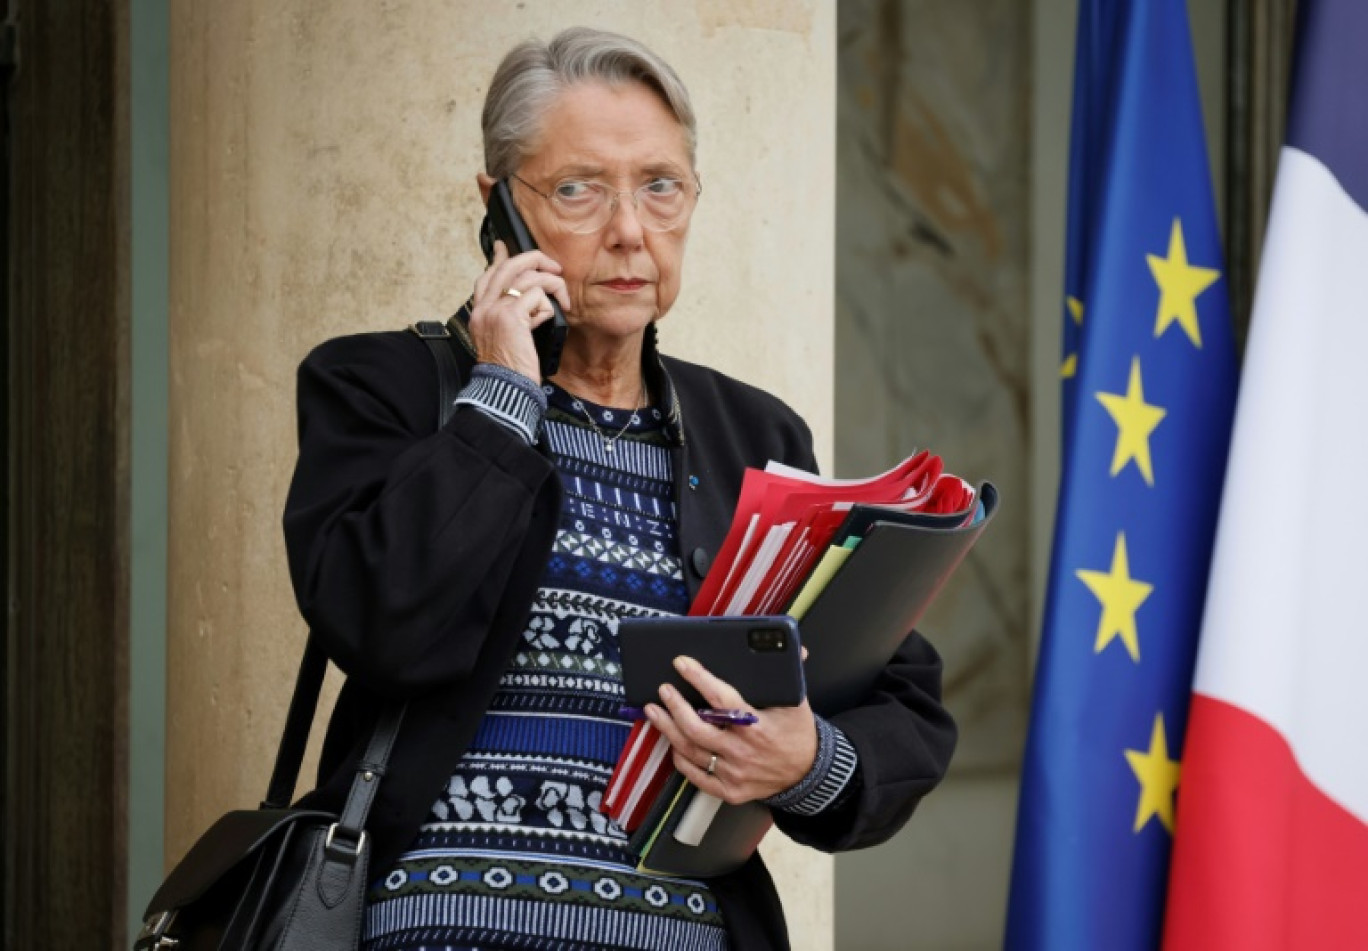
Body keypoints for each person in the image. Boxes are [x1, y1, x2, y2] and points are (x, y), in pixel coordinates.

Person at [284, 26, 956, 951]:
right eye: (577, 189)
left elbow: (899, 694)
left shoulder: (752, 438)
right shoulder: (383, 390)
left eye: (660, 186)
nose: (630, 230)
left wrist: (806, 760)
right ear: (498, 209)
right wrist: (502, 398)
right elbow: (378, 622)